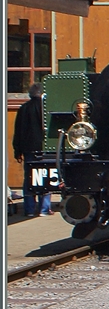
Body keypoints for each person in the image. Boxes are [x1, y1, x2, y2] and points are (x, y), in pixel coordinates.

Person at [12, 83, 51, 217]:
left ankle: (29, 209)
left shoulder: (23, 108)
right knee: (46, 176)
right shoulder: (47, 108)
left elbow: (18, 131)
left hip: (28, 148)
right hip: (45, 148)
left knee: (28, 178)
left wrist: (17, 150)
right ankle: (44, 208)